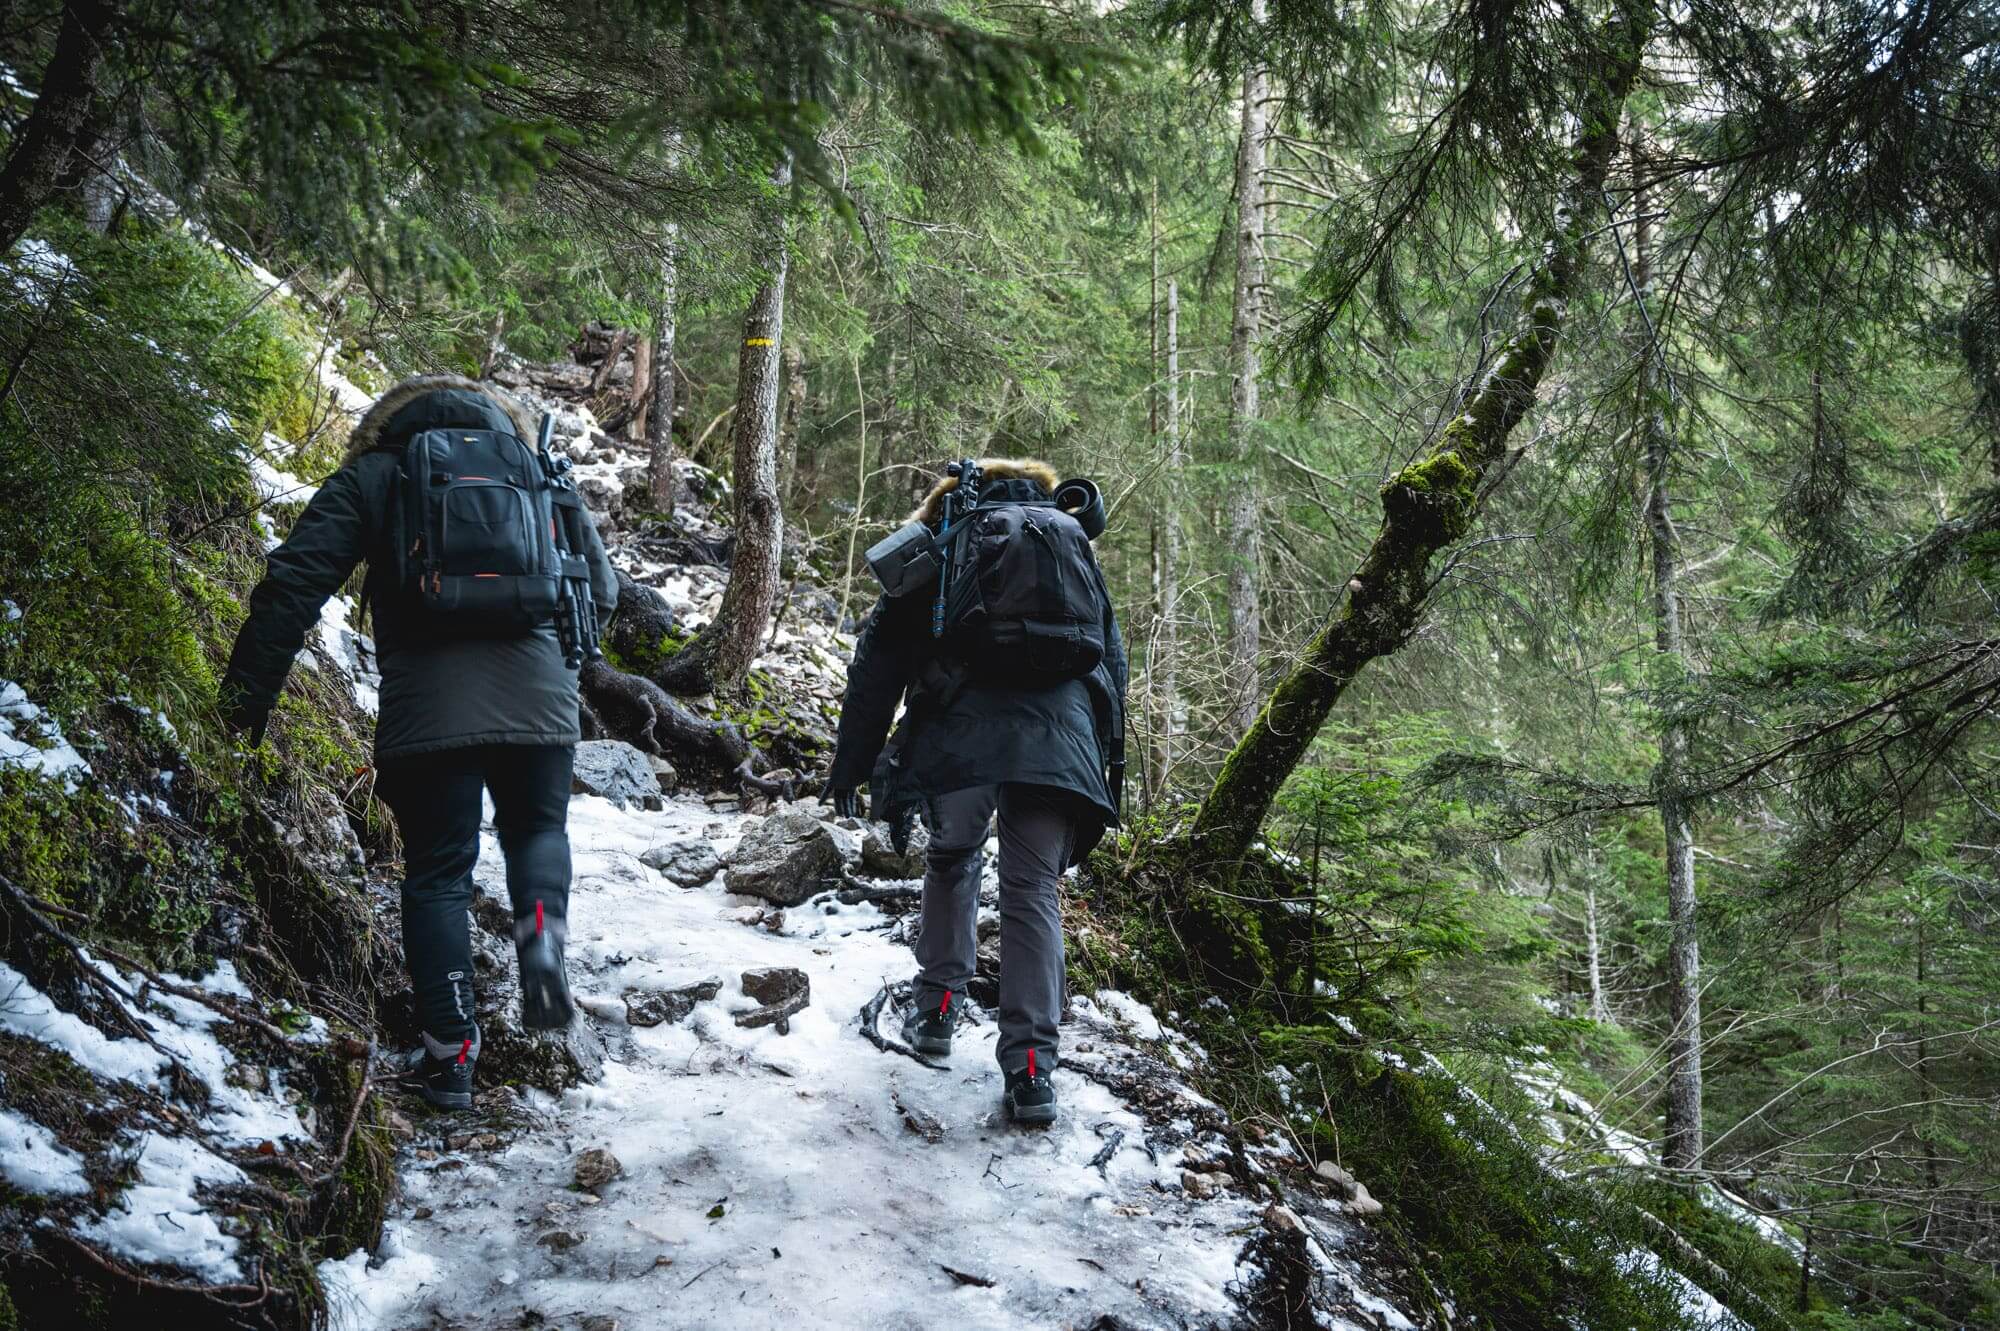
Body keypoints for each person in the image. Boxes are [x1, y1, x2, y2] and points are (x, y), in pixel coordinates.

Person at [219, 375, 617, 1110]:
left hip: (429, 715)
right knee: (535, 833)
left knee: (439, 873)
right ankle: (541, 951)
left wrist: (238, 713)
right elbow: (604, 591)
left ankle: (452, 1056)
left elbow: (292, 586)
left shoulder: (376, 473)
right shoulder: (537, 471)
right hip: (541, 708)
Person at [825, 458, 1125, 1125]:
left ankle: (935, 1010)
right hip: (1060, 741)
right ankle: (1030, 1071)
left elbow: (881, 657)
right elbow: (1109, 656)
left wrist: (853, 762)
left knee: (953, 857)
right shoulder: (1066, 539)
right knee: (1031, 890)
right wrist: (1109, 760)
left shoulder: (948, 534)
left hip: (961, 732)